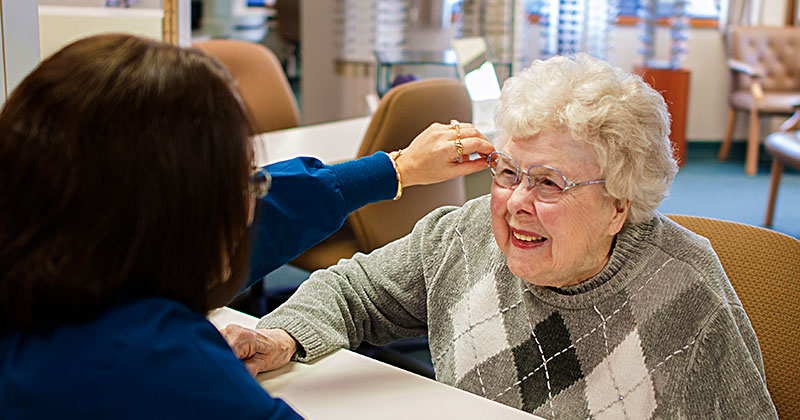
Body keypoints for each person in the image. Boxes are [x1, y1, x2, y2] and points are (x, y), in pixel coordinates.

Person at [223, 54, 779, 419]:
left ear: (618, 206)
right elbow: (355, 290)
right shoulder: (465, 237)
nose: (515, 202)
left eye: (548, 183)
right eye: (508, 172)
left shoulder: (685, 290)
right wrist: (287, 337)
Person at [0, 34, 493, 418]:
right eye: (246, 187)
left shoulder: (48, 267)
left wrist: (397, 168)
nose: (253, 209)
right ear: (170, 216)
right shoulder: (150, 358)